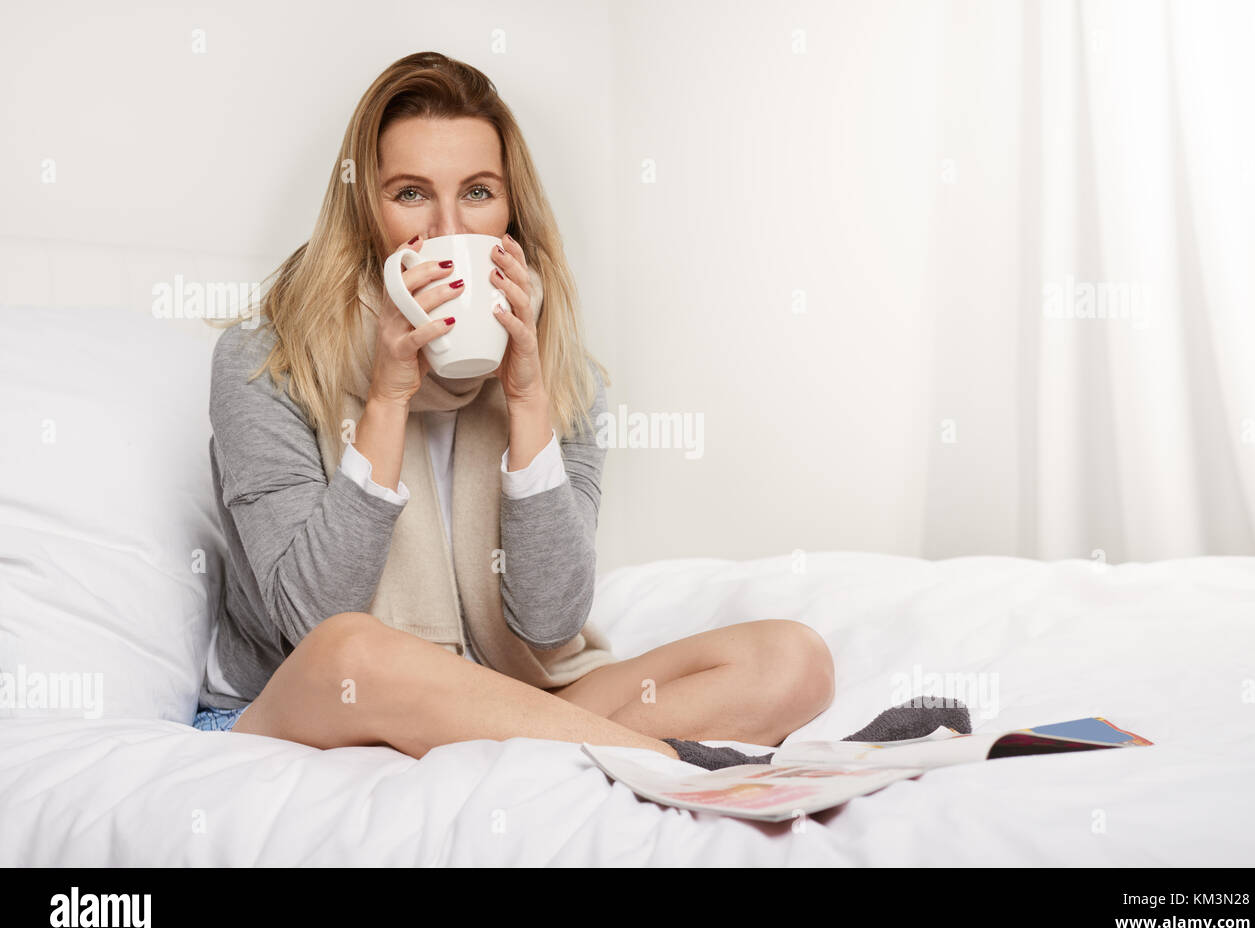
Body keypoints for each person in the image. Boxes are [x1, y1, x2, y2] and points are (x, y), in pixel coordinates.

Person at [198, 50, 960, 771]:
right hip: (318, 702)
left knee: (793, 661)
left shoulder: (561, 376)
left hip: (516, 693)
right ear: (366, 212)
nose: (448, 231)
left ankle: (547, 747)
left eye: (476, 192)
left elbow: (550, 620)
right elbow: (312, 622)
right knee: (352, 653)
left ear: (510, 214)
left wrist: (528, 399)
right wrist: (389, 396)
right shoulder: (266, 362)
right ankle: (666, 762)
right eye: (409, 194)